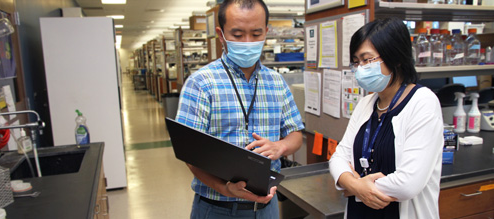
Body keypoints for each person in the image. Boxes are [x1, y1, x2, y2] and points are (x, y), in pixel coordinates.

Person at [175, 0, 304, 218]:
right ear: (221, 33)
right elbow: (190, 153)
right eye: (237, 34)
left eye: (255, 34)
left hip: (267, 209)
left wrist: (280, 146)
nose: (247, 42)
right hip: (218, 208)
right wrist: (224, 187)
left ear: (266, 31)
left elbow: (296, 134)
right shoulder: (201, 83)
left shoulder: (276, 82)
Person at [329, 17, 444, 218]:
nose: (360, 68)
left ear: (395, 58)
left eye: (367, 60)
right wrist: (355, 185)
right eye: (356, 62)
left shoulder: (423, 102)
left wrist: (353, 186)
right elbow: (338, 157)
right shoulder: (366, 103)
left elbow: (408, 183)